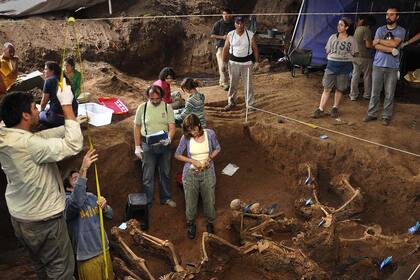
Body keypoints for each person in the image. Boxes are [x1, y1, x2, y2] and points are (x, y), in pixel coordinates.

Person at [0, 81, 83, 279]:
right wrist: (67, 106)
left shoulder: (6, 133)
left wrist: (70, 126)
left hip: (21, 219)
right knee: (61, 270)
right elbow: (74, 145)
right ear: (25, 116)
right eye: (34, 107)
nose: (39, 109)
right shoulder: (30, 145)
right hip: (44, 221)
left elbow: (41, 138)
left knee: (41, 265)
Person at [65, 149, 114, 280]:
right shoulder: (67, 202)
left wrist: (105, 206)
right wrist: (83, 169)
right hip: (86, 257)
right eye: (75, 178)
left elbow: (110, 215)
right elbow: (76, 202)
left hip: (104, 250)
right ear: (69, 188)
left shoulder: (92, 197)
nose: (81, 179)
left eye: (80, 178)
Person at [174, 114, 221, 239]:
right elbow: (177, 154)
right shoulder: (186, 138)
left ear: (198, 125)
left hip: (208, 171)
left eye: (193, 129)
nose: (192, 133)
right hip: (191, 174)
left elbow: (217, 148)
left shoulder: (209, 134)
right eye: (189, 130)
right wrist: (192, 161)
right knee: (190, 200)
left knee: (209, 199)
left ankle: (210, 223)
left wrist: (209, 158)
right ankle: (191, 224)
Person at [133, 85, 177, 208]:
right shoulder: (142, 108)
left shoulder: (167, 108)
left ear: (161, 97)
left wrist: (169, 138)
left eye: (158, 99)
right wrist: (137, 146)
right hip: (148, 145)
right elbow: (136, 127)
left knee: (165, 172)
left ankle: (166, 198)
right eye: (152, 99)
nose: (155, 101)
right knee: (148, 175)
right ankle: (147, 201)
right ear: (148, 97)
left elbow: (172, 127)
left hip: (164, 145)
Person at [363, 6, 406, 126]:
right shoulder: (380, 29)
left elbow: (395, 43)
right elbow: (374, 46)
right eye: (387, 14)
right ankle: (372, 114)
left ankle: (386, 116)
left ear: (397, 17)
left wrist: (379, 41)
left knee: (389, 93)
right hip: (378, 64)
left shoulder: (401, 31)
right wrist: (391, 50)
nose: (389, 16)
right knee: (375, 92)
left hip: (392, 67)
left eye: (392, 14)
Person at [312, 17, 358, 119]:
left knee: (339, 88)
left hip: (344, 66)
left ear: (346, 27)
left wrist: (346, 57)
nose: (338, 26)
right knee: (327, 88)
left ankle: (335, 108)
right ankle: (320, 109)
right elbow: (327, 50)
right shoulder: (332, 37)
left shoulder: (351, 39)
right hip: (332, 65)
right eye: (338, 24)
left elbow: (355, 53)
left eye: (341, 25)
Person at [222, 16, 260, 111]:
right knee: (233, 84)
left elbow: (255, 49)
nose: (240, 25)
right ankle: (231, 102)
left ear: (244, 24)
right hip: (233, 63)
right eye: (237, 23)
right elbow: (226, 48)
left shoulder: (250, 35)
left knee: (248, 85)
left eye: (241, 23)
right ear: (235, 24)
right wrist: (223, 62)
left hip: (247, 63)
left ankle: (250, 105)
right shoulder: (230, 35)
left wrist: (257, 62)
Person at [39, 61, 78, 127]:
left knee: (39, 115)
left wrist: (40, 111)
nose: (44, 71)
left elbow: (43, 103)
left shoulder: (49, 81)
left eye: (46, 69)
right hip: (72, 116)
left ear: (52, 71)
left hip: (58, 118)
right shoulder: (66, 80)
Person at [350, 15, 374, 101]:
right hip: (364, 57)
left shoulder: (357, 29)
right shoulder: (366, 30)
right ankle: (367, 95)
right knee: (367, 76)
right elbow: (368, 45)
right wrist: (375, 45)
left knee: (355, 75)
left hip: (355, 56)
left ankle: (353, 95)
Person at [210, 8, 235, 91]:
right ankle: (225, 83)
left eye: (227, 14)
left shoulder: (233, 23)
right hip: (221, 46)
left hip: (231, 47)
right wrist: (222, 37)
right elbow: (212, 35)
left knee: (229, 65)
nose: (225, 16)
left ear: (230, 15)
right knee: (222, 65)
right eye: (224, 14)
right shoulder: (218, 23)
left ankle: (222, 81)